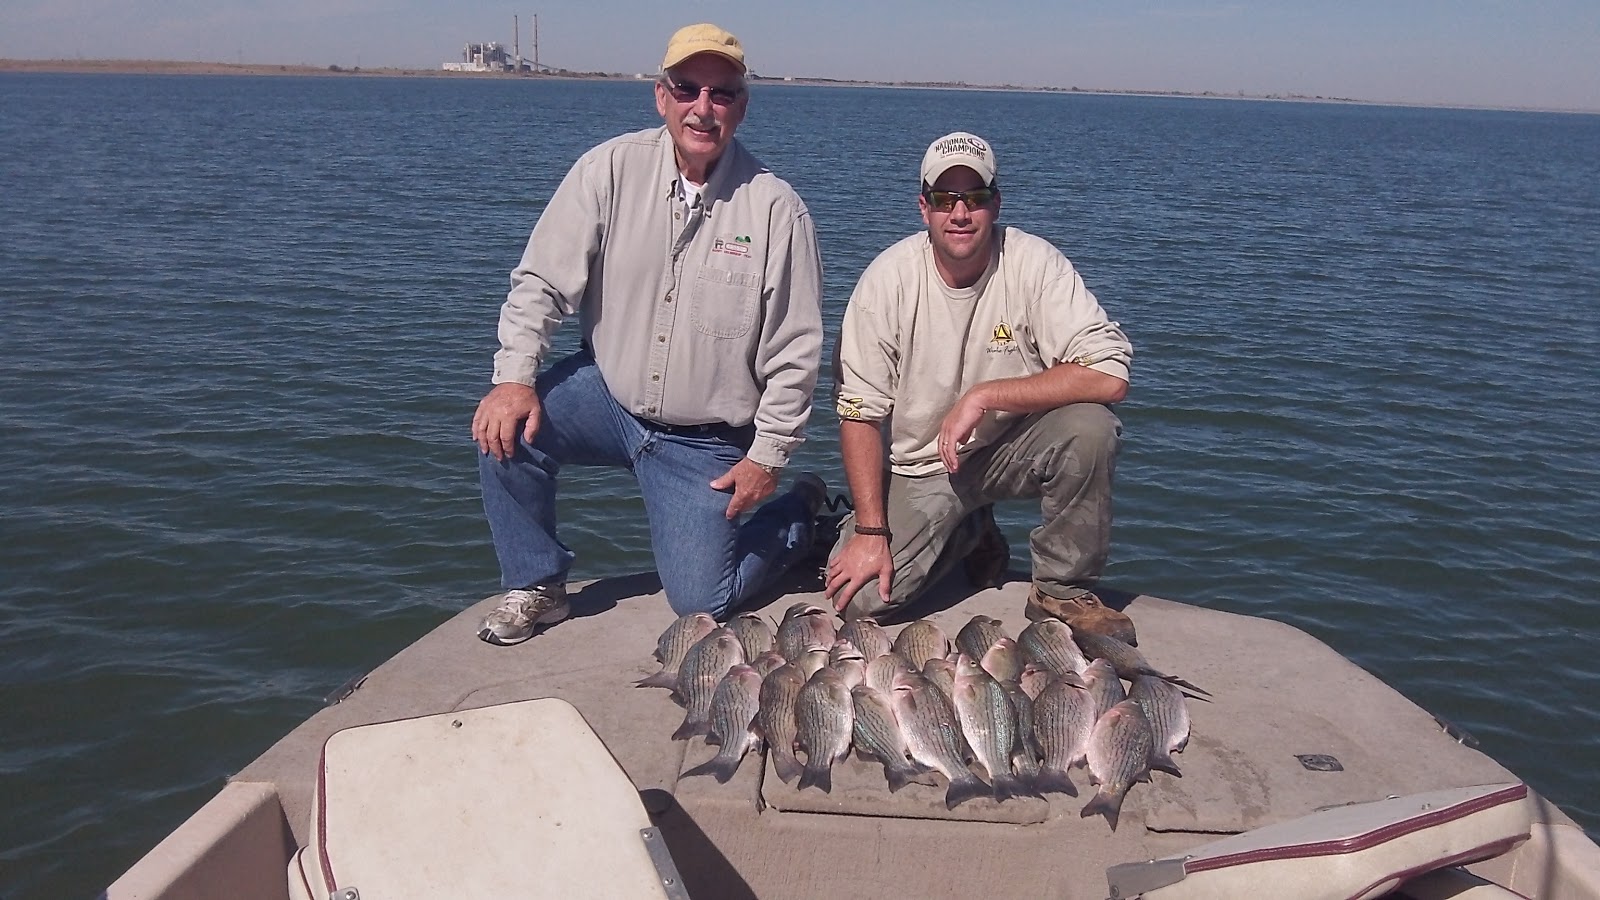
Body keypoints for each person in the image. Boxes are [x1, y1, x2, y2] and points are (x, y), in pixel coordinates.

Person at [471, 24, 827, 645]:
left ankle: (800, 516)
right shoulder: (607, 170)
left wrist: (768, 455)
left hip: (706, 439)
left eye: (721, 94)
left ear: (741, 107)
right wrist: (512, 378)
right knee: (502, 432)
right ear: (661, 96)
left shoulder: (776, 209)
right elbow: (541, 283)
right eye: (688, 89)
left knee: (699, 602)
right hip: (608, 398)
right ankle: (537, 584)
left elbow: (795, 350)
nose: (703, 107)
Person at [824, 131, 1137, 643]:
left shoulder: (1035, 263)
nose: (961, 213)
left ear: (997, 203)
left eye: (976, 198)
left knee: (1091, 427)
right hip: (923, 466)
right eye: (946, 199)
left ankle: (1060, 589)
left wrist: (985, 396)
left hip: (1009, 448)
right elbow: (859, 413)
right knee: (860, 601)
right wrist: (869, 531)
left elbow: (1109, 374)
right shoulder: (885, 282)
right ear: (923, 207)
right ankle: (968, 532)